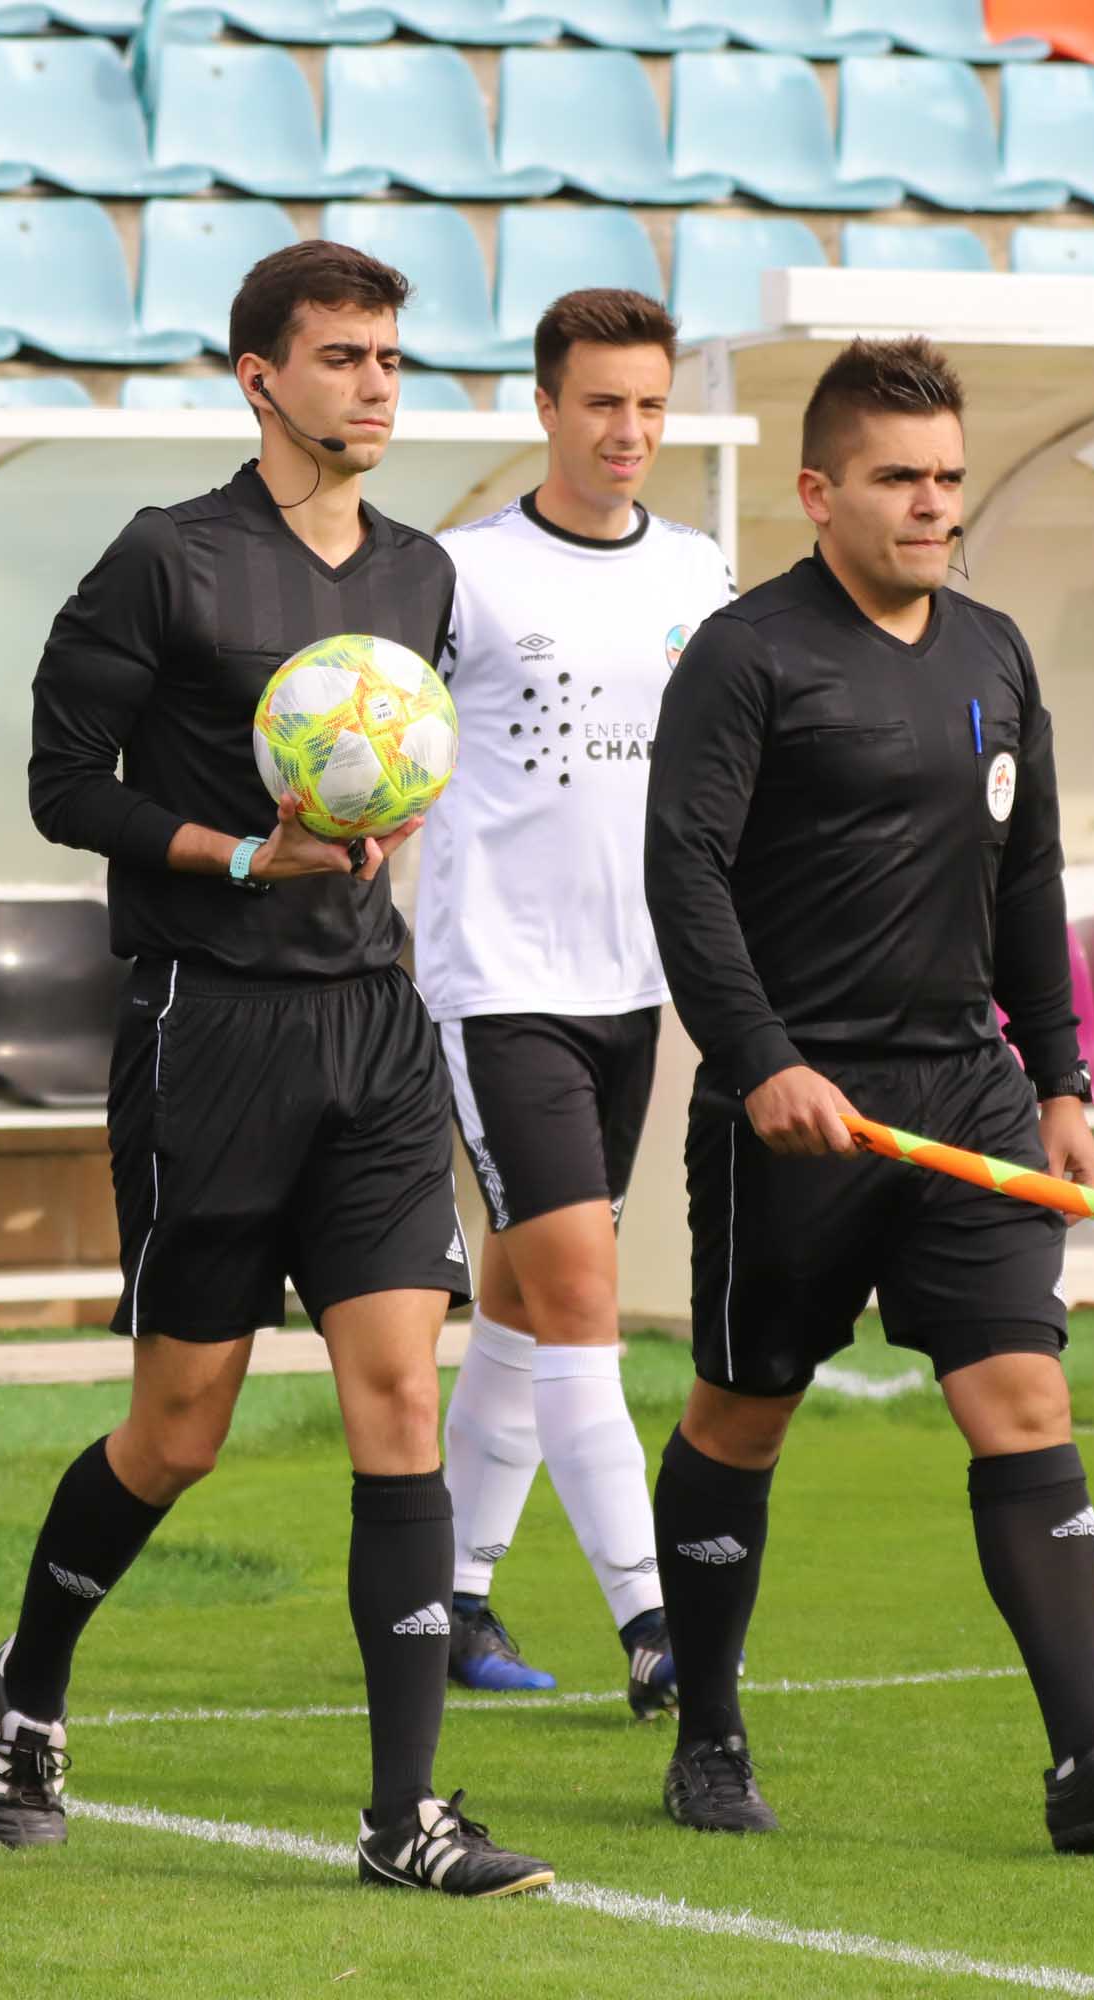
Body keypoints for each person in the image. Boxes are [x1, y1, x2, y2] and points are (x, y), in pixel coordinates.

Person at [0, 242, 552, 1900]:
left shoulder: (425, 576)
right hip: (206, 1030)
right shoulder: (164, 565)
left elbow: (406, 765)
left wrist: (390, 816)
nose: (378, 383)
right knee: (180, 1431)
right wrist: (241, 855)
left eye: (391, 355)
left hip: (373, 1032)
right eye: (345, 357)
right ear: (259, 377)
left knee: (399, 1402)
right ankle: (31, 1686)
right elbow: (59, 783)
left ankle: (404, 1816)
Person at [641, 337, 1094, 1854]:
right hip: (796, 1114)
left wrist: (1057, 1074)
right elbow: (683, 877)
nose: (931, 506)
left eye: (947, 480)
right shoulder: (747, 655)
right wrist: (761, 1059)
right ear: (818, 490)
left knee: (1024, 1396)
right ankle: (706, 1732)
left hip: (967, 1101)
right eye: (898, 479)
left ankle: (1090, 1759)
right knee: (743, 1415)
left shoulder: (994, 651)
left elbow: (1028, 876)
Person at [422, 289, 733, 1714]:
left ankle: (457, 1596)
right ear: (545, 407)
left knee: (523, 1299)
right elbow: (369, 740)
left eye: (652, 405)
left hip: (632, 989)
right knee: (586, 1297)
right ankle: (659, 1628)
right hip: (500, 984)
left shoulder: (701, 570)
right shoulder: (459, 574)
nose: (630, 432)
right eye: (603, 402)